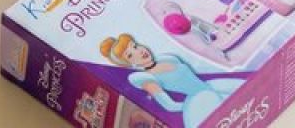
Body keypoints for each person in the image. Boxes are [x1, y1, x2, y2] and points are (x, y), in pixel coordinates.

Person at [100, 33, 244, 128]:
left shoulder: (167, 58)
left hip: (211, 88)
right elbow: (169, 105)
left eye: (135, 46)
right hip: (199, 102)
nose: (139, 51)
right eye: (130, 55)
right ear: (130, 64)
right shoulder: (148, 78)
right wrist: (190, 106)